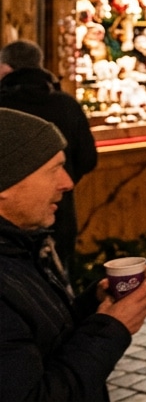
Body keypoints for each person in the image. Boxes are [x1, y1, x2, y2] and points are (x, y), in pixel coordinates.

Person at [0, 109, 146, 400]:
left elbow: (39, 337)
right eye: (52, 169)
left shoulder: (19, 245)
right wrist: (112, 329)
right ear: (5, 185)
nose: (67, 182)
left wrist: (92, 306)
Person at [0, 40, 97, 268]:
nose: (65, 182)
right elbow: (88, 159)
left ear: (5, 69)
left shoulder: (2, 104)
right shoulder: (66, 104)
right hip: (58, 216)